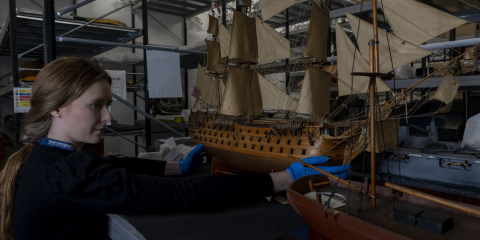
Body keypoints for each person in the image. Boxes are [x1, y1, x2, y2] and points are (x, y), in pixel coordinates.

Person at [0, 57, 350, 240]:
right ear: (57, 107)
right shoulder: (66, 174)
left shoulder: (43, 157)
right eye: (96, 105)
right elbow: (185, 196)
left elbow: (116, 165)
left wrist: (171, 167)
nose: (109, 116)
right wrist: (281, 179)